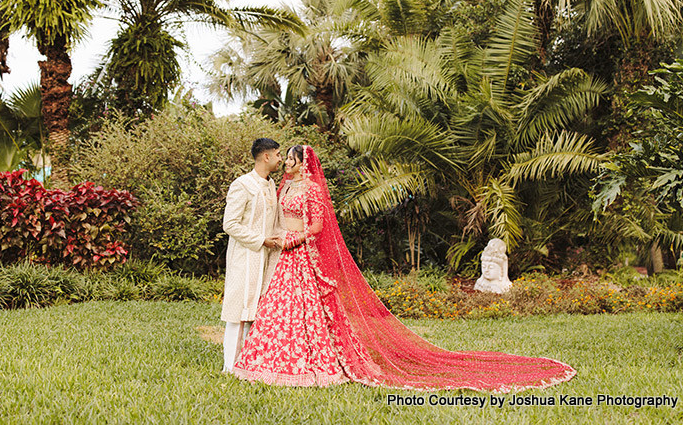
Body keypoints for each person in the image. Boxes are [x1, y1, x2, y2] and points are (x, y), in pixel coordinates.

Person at [232, 145, 576, 391]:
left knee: (307, 312)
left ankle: (313, 363)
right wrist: (276, 236)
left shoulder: (311, 189)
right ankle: (270, 362)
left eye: (290, 157)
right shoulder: (285, 186)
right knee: (280, 310)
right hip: (284, 257)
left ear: (302, 163)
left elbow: (318, 227)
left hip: (301, 254)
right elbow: (280, 217)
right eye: (284, 157)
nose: (285, 162)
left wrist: (292, 240)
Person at [220, 138, 285, 373]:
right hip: (245, 256)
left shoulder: (271, 184)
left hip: (266, 257)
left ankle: (248, 363)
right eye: (278, 154)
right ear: (265, 156)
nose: (281, 159)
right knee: (239, 311)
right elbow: (230, 224)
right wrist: (260, 241)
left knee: (256, 311)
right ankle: (230, 365)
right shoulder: (242, 185)